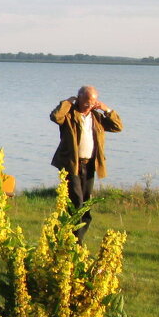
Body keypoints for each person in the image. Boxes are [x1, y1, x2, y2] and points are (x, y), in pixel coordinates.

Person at [50, 85, 123, 242]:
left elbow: (118, 127)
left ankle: (74, 239)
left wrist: (107, 110)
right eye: (87, 101)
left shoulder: (97, 117)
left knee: (86, 204)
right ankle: (73, 241)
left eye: (93, 102)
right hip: (71, 164)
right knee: (76, 202)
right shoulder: (69, 115)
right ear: (79, 98)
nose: (89, 105)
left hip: (90, 165)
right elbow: (56, 117)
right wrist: (68, 102)